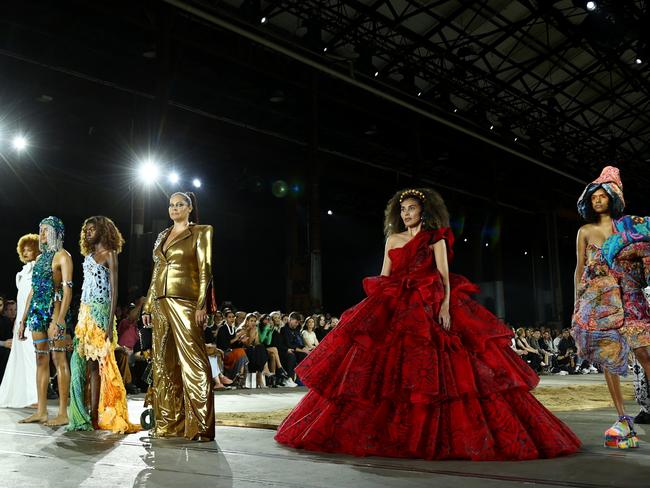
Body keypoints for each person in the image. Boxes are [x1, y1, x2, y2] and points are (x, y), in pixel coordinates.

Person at [275, 188, 581, 460]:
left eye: (411, 209)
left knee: (447, 367)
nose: (406, 214)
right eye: (403, 210)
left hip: (430, 302)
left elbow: (445, 275)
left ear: (424, 211)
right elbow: (384, 275)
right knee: (381, 369)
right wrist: (373, 307)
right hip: (395, 301)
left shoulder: (436, 238)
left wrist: (445, 306)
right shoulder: (392, 239)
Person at [572, 166, 650, 448]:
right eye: (594, 197)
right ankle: (622, 418)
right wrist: (576, 302)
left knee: (644, 351)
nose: (598, 200)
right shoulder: (584, 231)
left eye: (603, 195)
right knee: (608, 357)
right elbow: (579, 269)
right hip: (599, 300)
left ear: (613, 198)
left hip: (629, 296)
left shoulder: (629, 226)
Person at [142, 191, 215, 441]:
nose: (174, 208)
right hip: (160, 303)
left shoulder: (201, 231)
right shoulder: (162, 235)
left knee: (193, 361)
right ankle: (169, 424)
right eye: (171, 205)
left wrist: (202, 305)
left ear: (190, 207)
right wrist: (148, 305)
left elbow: (206, 269)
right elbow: (156, 271)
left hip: (186, 301)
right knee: (163, 363)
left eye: (180, 204)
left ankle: (201, 426)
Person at [67, 216, 139, 432]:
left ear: (103, 230)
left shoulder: (110, 255)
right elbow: (86, 289)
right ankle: (82, 412)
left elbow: (114, 290)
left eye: (92, 229)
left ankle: (96, 414)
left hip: (102, 313)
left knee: (100, 365)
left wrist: (109, 324)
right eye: (86, 229)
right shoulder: (88, 257)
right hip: (85, 314)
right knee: (82, 364)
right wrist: (81, 316)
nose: (88, 232)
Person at [17, 217, 73, 426]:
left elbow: (68, 289)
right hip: (37, 314)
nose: (41, 234)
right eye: (39, 230)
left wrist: (60, 320)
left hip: (54, 312)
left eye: (45, 230)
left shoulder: (63, 256)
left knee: (59, 360)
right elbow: (33, 290)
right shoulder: (40, 259)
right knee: (41, 360)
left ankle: (63, 413)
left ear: (56, 232)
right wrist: (22, 319)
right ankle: (41, 411)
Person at [0, 234, 40, 408]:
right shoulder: (22, 273)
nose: (25, 251)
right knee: (20, 356)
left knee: (32, 355)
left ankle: (35, 396)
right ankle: (22, 394)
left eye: (29, 248)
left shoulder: (38, 269)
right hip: (20, 320)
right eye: (23, 249)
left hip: (30, 318)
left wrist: (26, 318)